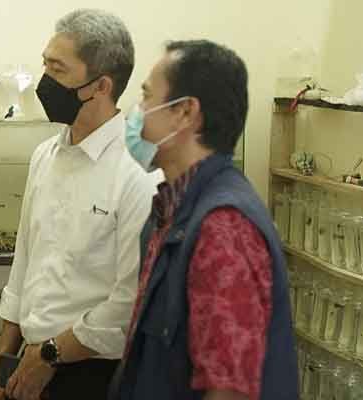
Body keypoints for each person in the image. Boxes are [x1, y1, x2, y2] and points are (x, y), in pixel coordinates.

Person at [0, 8, 161, 400]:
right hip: (28, 363)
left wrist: (51, 355)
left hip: (94, 372)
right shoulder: (45, 157)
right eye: (45, 65)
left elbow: (129, 301)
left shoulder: (139, 172)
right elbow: (24, 265)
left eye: (58, 70)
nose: (45, 81)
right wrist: (2, 361)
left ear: (101, 86)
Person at [110, 40, 298, 400]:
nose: (138, 111)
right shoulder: (172, 209)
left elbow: (228, 389)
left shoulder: (223, 226)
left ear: (185, 112)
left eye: (147, 97)